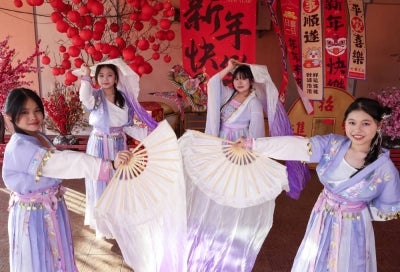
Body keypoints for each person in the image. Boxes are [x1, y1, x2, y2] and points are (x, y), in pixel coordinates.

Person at [238, 97, 400, 272]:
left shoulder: (385, 170)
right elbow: (296, 146)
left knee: (347, 261)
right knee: (314, 256)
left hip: (353, 223)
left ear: (379, 126)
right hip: (322, 212)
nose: (357, 129)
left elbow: (386, 210)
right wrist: (254, 144)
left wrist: (355, 208)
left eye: (366, 123)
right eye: (352, 122)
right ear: (345, 123)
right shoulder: (333, 144)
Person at [180, 59, 308, 271]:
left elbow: (256, 130)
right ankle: (216, 216)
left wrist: (252, 153)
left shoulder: (254, 103)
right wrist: (228, 68)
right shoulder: (228, 94)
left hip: (239, 147)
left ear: (251, 81)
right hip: (221, 142)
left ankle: (232, 218)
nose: (239, 82)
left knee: (235, 181)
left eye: (244, 78)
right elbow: (212, 84)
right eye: (236, 78)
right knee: (220, 180)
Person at [2, 87, 132, 272]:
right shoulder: (20, 147)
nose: (33, 117)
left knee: (56, 255)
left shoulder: (36, 136)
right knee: (39, 258)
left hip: (49, 208)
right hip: (33, 216)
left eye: (37, 110)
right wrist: (109, 164)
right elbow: (62, 162)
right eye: (24, 112)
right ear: (10, 116)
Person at [78, 58, 157, 238]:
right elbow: (84, 98)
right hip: (98, 144)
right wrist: (85, 77)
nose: (105, 79)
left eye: (109, 75)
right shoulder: (95, 97)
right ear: (96, 78)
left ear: (116, 77)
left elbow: (128, 126)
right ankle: (103, 225)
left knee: (119, 182)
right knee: (100, 181)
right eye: (101, 75)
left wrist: (151, 136)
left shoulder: (124, 98)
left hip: (119, 146)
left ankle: (118, 220)